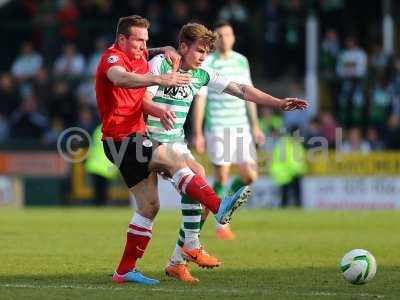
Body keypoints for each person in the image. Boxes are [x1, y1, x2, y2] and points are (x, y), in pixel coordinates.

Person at [142, 22, 308, 283]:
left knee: (199, 197)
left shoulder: (202, 74)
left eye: (207, 52)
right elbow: (143, 99)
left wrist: (278, 102)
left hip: (175, 142)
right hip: (149, 142)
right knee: (195, 180)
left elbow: (241, 89)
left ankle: (177, 261)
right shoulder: (162, 64)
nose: (203, 57)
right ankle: (195, 241)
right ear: (183, 47)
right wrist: (160, 111)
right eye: (199, 51)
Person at [95, 15, 252, 285]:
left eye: (146, 40)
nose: (144, 45)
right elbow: (120, 79)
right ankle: (219, 207)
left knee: (149, 206)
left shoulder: (140, 55)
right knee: (177, 162)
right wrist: (160, 79)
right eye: (139, 40)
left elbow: (150, 53)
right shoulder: (112, 59)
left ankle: (124, 271)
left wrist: (163, 48)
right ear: (122, 39)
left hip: (129, 139)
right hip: (124, 138)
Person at [192, 21, 265, 241]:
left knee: (250, 176)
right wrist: (197, 132)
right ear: (215, 39)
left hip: (241, 126)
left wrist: (255, 125)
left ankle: (223, 209)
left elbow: (248, 95)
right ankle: (220, 223)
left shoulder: (241, 61)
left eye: (228, 34)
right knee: (222, 176)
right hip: (218, 126)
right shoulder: (208, 63)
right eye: (220, 35)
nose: (225, 39)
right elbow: (201, 101)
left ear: (233, 37)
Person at [85, 124, 119, 206]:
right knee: (103, 191)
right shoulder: (114, 129)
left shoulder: (97, 129)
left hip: (94, 164)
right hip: (106, 166)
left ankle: (98, 206)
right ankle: (101, 205)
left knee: (97, 190)